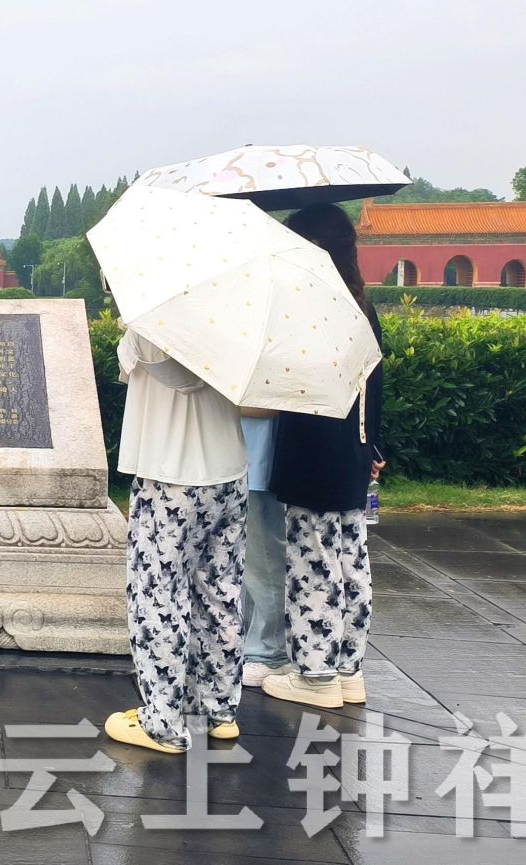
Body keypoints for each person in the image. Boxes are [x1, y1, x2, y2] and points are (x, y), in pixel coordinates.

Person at [262, 203, 385, 710]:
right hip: (353, 455)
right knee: (350, 561)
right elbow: (375, 387)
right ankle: (348, 670)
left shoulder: (312, 312)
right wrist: (373, 447)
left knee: (313, 562)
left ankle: (314, 677)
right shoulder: (361, 307)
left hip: (314, 456)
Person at [105, 328, 249, 754]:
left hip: (171, 474)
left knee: (158, 597)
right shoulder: (235, 315)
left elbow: (170, 375)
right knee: (220, 592)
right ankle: (218, 709)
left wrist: (133, 330)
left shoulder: (157, 318)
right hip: (229, 471)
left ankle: (162, 723)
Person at [239, 405, 291, 688]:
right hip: (236, 449)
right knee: (248, 557)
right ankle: (253, 643)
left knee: (265, 554)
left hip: (261, 449)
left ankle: (270, 650)